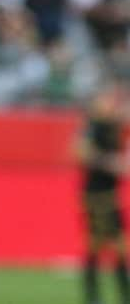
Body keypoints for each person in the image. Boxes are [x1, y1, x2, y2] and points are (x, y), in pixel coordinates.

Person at [79, 79, 130, 304]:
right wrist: (110, 163)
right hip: (96, 195)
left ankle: (114, 294)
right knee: (98, 243)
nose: (111, 103)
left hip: (111, 194)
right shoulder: (93, 127)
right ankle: (94, 295)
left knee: (118, 244)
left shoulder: (113, 127)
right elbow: (78, 152)